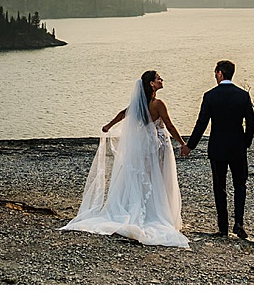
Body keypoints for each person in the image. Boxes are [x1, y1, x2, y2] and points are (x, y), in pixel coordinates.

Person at [60, 70, 190, 248]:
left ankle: (143, 207)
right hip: (159, 145)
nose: (161, 80)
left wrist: (109, 125)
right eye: (158, 78)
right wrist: (183, 143)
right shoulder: (158, 104)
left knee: (147, 177)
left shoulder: (140, 103)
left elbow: (124, 113)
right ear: (151, 84)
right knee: (159, 177)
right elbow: (169, 124)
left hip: (145, 145)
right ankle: (156, 212)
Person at [184, 59, 254, 238]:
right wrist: (245, 143)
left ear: (220, 73)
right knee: (240, 184)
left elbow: (201, 124)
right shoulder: (243, 95)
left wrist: (190, 146)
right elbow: (251, 125)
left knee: (219, 187)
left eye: (215, 73)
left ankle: (223, 227)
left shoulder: (210, 96)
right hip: (238, 148)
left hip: (217, 148)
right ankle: (238, 223)